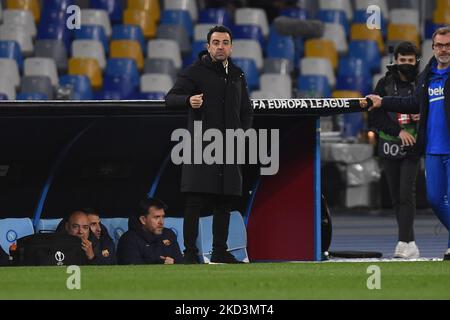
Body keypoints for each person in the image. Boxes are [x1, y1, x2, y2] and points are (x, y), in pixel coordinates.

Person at [165, 25, 253, 264]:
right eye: (216, 42)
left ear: (231, 47)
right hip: (201, 145)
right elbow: (170, 98)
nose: (220, 47)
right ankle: (190, 254)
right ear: (208, 46)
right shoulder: (195, 72)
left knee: (224, 201)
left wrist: (242, 134)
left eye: (225, 43)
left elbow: (246, 110)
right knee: (194, 201)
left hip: (229, 147)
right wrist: (187, 100)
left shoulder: (237, 74)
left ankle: (219, 251)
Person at [362, 26, 450, 260]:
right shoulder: (427, 77)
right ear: (432, 48)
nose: (443, 49)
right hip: (432, 148)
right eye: (439, 45)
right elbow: (412, 103)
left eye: (448, 45)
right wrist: (383, 102)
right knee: (434, 199)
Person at [369, 41, 421, 259]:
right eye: (402, 60)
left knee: (405, 194)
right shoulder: (383, 84)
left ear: (416, 61)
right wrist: (398, 131)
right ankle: (410, 242)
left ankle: (403, 242)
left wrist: (422, 116)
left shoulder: (422, 83)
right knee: (395, 198)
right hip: (389, 144)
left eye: (410, 60)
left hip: (413, 146)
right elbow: (375, 115)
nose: (406, 64)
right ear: (396, 61)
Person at [117, 198, 183, 265]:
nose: (161, 222)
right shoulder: (129, 239)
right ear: (143, 220)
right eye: (156, 217)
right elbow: (131, 267)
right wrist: (159, 263)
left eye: (163, 217)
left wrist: (174, 263)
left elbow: (180, 262)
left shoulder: (169, 234)